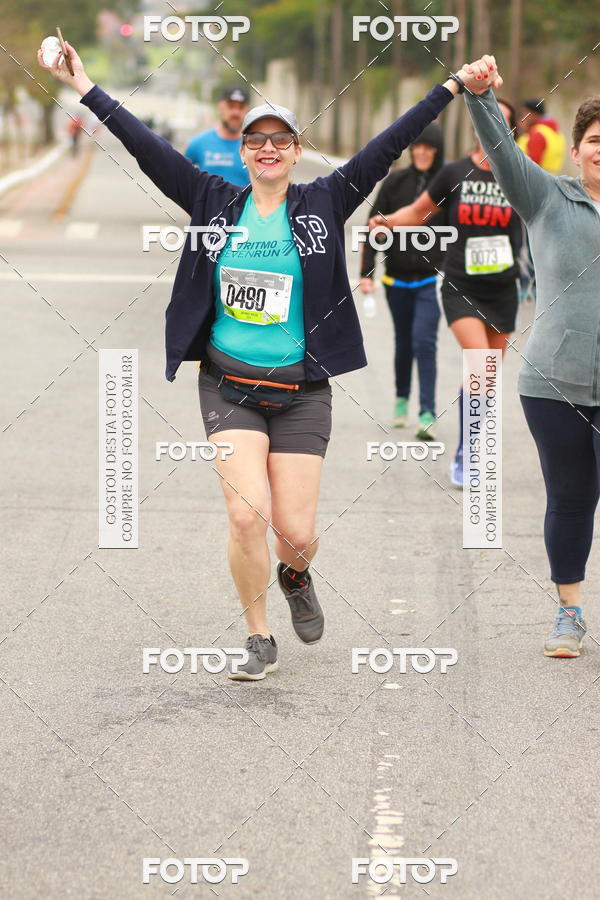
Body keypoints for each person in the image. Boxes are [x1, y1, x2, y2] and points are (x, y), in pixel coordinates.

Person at [38, 39, 466, 680]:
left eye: (281, 140)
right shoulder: (212, 200)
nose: (268, 148)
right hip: (228, 385)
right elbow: (144, 146)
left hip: (302, 393)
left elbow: (388, 142)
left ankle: (296, 573)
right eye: (257, 140)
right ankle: (258, 635)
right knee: (245, 516)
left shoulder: (325, 201)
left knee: (294, 532)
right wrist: (84, 83)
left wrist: (452, 87)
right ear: (244, 151)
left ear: (296, 151)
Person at [461, 55, 600, 659]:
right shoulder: (546, 199)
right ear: (576, 151)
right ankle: (568, 613)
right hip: (554, 384)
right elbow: (506, 154)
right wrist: (481, 97)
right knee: (570, 498)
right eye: (595, 141)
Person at [369, 97, 521, 488]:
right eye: (486, 116)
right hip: (462, 286)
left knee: (489, 375)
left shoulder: (520, 174)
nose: (493, 125)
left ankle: (469, 445)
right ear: (476, 125)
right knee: (479, 365)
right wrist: (386, 221)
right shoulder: (455, 172)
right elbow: (420, 211)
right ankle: (467, 455)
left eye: (501, 120)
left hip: (504, 289)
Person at [359, 124, 446, 439]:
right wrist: (366, 273)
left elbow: (459, 231)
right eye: (418, 147)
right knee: (404, 342)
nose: (422, 152)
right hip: (396, 279)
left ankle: (427, 411)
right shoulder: (396, 181)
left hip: (430, 280)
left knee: (425, 341)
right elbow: (375, 226)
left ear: (438, 151)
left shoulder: (445, 183)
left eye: (429, 148)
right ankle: (401, 400)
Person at [185, 86, 250, 186]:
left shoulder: (255, 146)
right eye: (231, 106)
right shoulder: (199, 143)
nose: (235, 112)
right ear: (220, 107)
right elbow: (179, 175)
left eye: (240, 108)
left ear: (247, 110)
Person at [517, 98, 566, 174]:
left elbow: (531, 168)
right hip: (551, 180)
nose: (523, 118)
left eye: (525, 114)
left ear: (532, 114)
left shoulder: (537, 134)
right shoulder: (556, 133)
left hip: (534, 183)